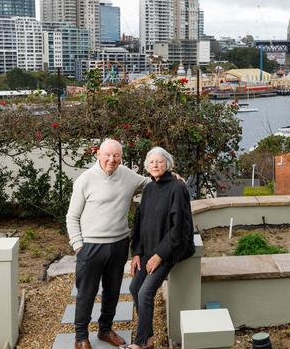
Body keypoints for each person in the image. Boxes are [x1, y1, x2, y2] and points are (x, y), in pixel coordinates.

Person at [66, 139, 150, 349]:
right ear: (98, 155)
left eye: (116, 156)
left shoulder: (128, 175)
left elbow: (150, 183)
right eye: (108, 155)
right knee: (86, 293)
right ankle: (81, 336)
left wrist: (171, 178)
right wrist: (78, 246)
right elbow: (72, 217)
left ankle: (105, 330)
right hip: (91, 247)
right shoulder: (85, 180)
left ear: (121, 157)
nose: (112, 160)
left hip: (119, 244)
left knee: (112, 291)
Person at [127, 147, 195, 349]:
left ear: (168, 164)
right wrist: (137, 253)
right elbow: (139, 223)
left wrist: (159, 255)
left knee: (145, 293)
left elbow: (179, 228)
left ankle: (141, 343)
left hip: (169, 251)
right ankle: (147, 338)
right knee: (134, 288)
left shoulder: (177, 187)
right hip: (147, 251)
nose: (155, 165)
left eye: (159, 161)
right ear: (147, 166)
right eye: (151, 162)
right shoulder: (149, 188)